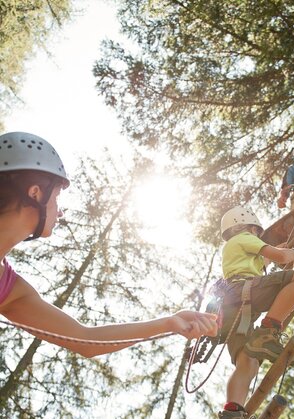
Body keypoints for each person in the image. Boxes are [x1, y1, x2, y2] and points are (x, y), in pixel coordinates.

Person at [0, 131, 217, 358]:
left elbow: (85, 340)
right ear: (35, 193)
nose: (61, 212)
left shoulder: (9, 289)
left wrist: (168, 323)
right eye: (56, 198)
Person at [210, 206, 294, 419]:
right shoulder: (244, 238)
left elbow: (266, 259)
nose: (258, 234)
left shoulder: (237, 246)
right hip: (245, 293)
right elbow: (279, 257)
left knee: (248, 362)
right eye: (256, 231)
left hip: (232, 308)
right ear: (247, 227)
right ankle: (268, 332)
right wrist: (291, 253)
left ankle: (232, 417)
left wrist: (278, 252)